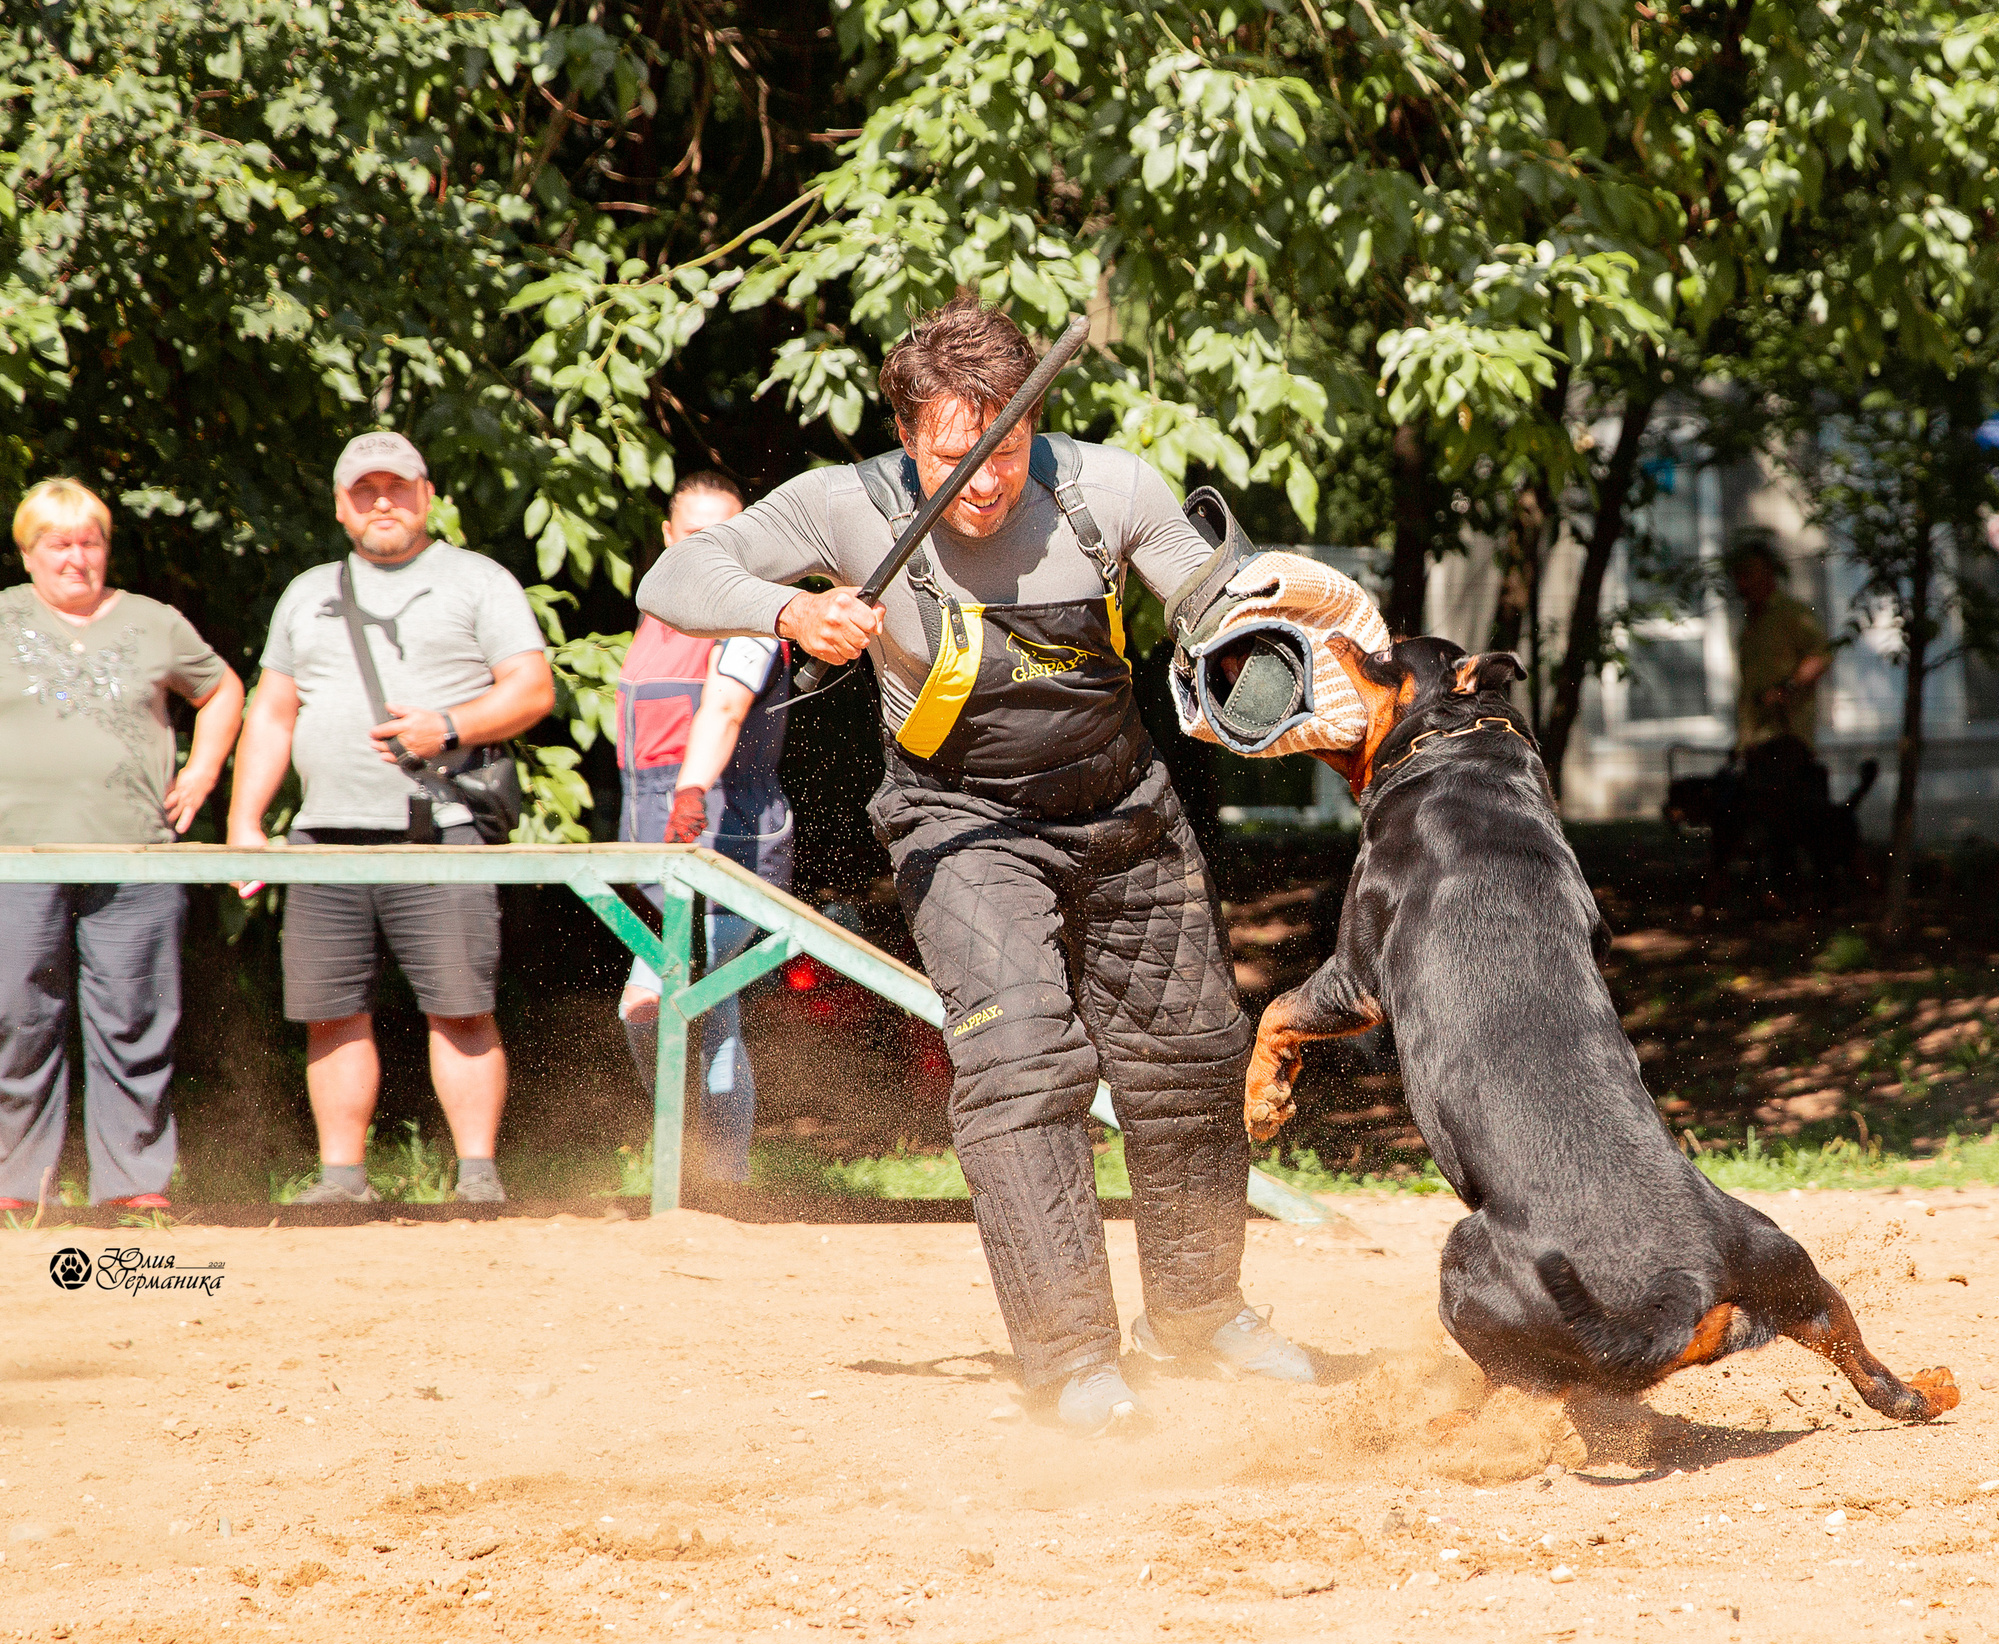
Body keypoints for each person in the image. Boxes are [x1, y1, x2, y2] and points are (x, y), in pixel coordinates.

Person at [640, 295, 1314, 1433]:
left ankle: (1200, 1317)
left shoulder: (1110, 491)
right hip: (960, 825)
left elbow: (1216, 606)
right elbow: (674, 579)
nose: (986, 479)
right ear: (907, 433)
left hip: (1125, 811)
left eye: (1005, 448)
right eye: (955, 454)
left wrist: (1268, 631)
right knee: (1022, 1066)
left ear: (1034, 418)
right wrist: (790, 613)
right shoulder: (846, 505)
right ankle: (1074, 1361)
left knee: (1193, 1058)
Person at [225, 432, 553, 1205]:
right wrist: (244, 823)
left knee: (461, 1008)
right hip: (321, 836)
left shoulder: (479, 581)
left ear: (426, 495)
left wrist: (450, 724)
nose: (382, 502)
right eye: (364, 490)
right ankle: (342, 1181)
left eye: (397, 487)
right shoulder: (306, 592)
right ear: (340, 506)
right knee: (330, 1014)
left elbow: (532, 688)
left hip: (440, 829)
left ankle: (478, 1178)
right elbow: (271, 712)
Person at [0, 478, 244, 1212]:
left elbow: (223, 690)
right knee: (16, 1016)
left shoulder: (154, 622)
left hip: (136, 852)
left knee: (135, 1017)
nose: (75, 557)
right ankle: (15, 1187)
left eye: (90, 541)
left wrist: (202, 771)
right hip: (15, 854)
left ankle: (133, 1185)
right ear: (27, 552)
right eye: (58, 543)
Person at [613, 470, 793, 1184]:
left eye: (724, 535)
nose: (709, 549)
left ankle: (703, 1159)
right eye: (694, 535)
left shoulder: (751, 618)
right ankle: (718, 1172)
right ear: (667, 538)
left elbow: (721, 710)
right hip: (660, 850)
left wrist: (689, 790)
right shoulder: (656, 618)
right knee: (710, 1011)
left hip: (731, 840)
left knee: (659, 1000)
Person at [1730, 540, 1833, 755]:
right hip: (1753, 743)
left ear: (1768, 573)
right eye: (1738, 576)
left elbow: (1821, 657)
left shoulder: (1792, 614)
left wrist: (1787, 688)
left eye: (1749, 574)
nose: (1742, 584)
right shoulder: (1751, 623)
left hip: (1788, 740)